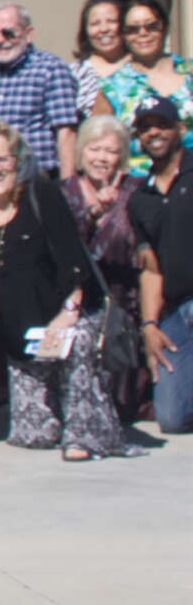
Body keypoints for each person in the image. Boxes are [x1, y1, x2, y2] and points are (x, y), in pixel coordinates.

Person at [0, 122, 139, 459]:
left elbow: (74, 262)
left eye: (3, 159)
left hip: (65, 320)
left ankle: (84, 436)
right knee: (34, 436)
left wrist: (67, 315)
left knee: (78, 342)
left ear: (16, 160)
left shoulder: (41, 194)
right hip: (20, 340)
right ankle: (57, 415)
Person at [65, 114, 148, 419]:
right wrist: (92, 214)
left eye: (111, 151)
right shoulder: (64, 193)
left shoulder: (137, 190)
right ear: (81, 152)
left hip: (125, 307)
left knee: (122, 409)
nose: (102, 158)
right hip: (76, 304)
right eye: (94, 149)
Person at [127, 98, 192, 433]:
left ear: (179, 129)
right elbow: (150, 268)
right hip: (176, 312)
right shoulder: (141, 197)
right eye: (145, 127)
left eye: (162, 124)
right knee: (171, 419)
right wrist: (150, 324)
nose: (154, 132)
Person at [0, 3, 80, 180]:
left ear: (28, 34)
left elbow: (66, 133)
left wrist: (68, 187)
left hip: (39, 179)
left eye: (8, 33)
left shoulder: (50, 68)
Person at [97, 0, 190, 175]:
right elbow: (99, 145)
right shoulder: (111, 88)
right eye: (133, 29)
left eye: (151, 26)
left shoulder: (190, 73)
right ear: (123, 35)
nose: (143, 33)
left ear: (164, 27)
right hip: (139, 187)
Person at [73, 0, 131, 119]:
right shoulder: (74, 74)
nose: (104, 29)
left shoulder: (139, 68)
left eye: (111, 21)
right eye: (95, 23)